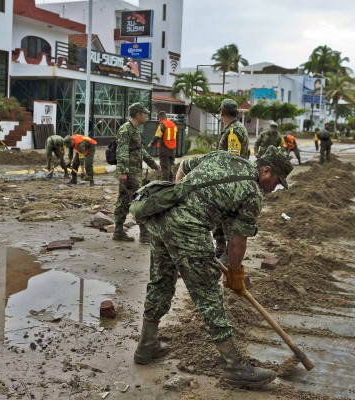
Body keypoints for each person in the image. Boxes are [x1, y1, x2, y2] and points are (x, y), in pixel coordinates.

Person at [134, 146, 293, 388]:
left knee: (161, 280)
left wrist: (182, 203)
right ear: (266, 170)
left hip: (162, 217)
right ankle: (233, 366)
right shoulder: (253, 193)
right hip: (189, 229)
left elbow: (182, 167)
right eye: (276, 181)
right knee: (208, 295)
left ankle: (147, 345)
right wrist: (235, 273)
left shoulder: (223, 156)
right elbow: (238, 242)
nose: (275, 187)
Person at [113, 102, 160, 243]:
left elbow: (140, 151)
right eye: (145, 113)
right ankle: (145, 234)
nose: (147, 116)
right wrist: (123, 171)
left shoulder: (135, 129)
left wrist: (152, 163)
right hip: (129, 173)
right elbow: (121, 151)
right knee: (139, 200)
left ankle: (118, 231)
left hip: (133, 172)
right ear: (138, 114)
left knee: (123, 201)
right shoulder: (126, 130)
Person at [214, 98, 250, 260]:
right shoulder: (235, 128)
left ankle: (227, 255)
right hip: (231, 180)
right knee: (220, 217)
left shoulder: (233, 131)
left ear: (222, 112)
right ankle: (221, 249)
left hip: (229, 182)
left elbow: (232, 158)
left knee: (227, 218)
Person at [148, 111, 178, 182]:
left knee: (165, 169)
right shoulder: (173, 124)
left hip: (164, 149)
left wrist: (151, 144)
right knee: (170, 167)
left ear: (160, 118)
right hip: (173, 149)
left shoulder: (162, 125)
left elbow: (157, 136)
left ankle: (165, 186)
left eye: (158, 119)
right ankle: (171, 184)